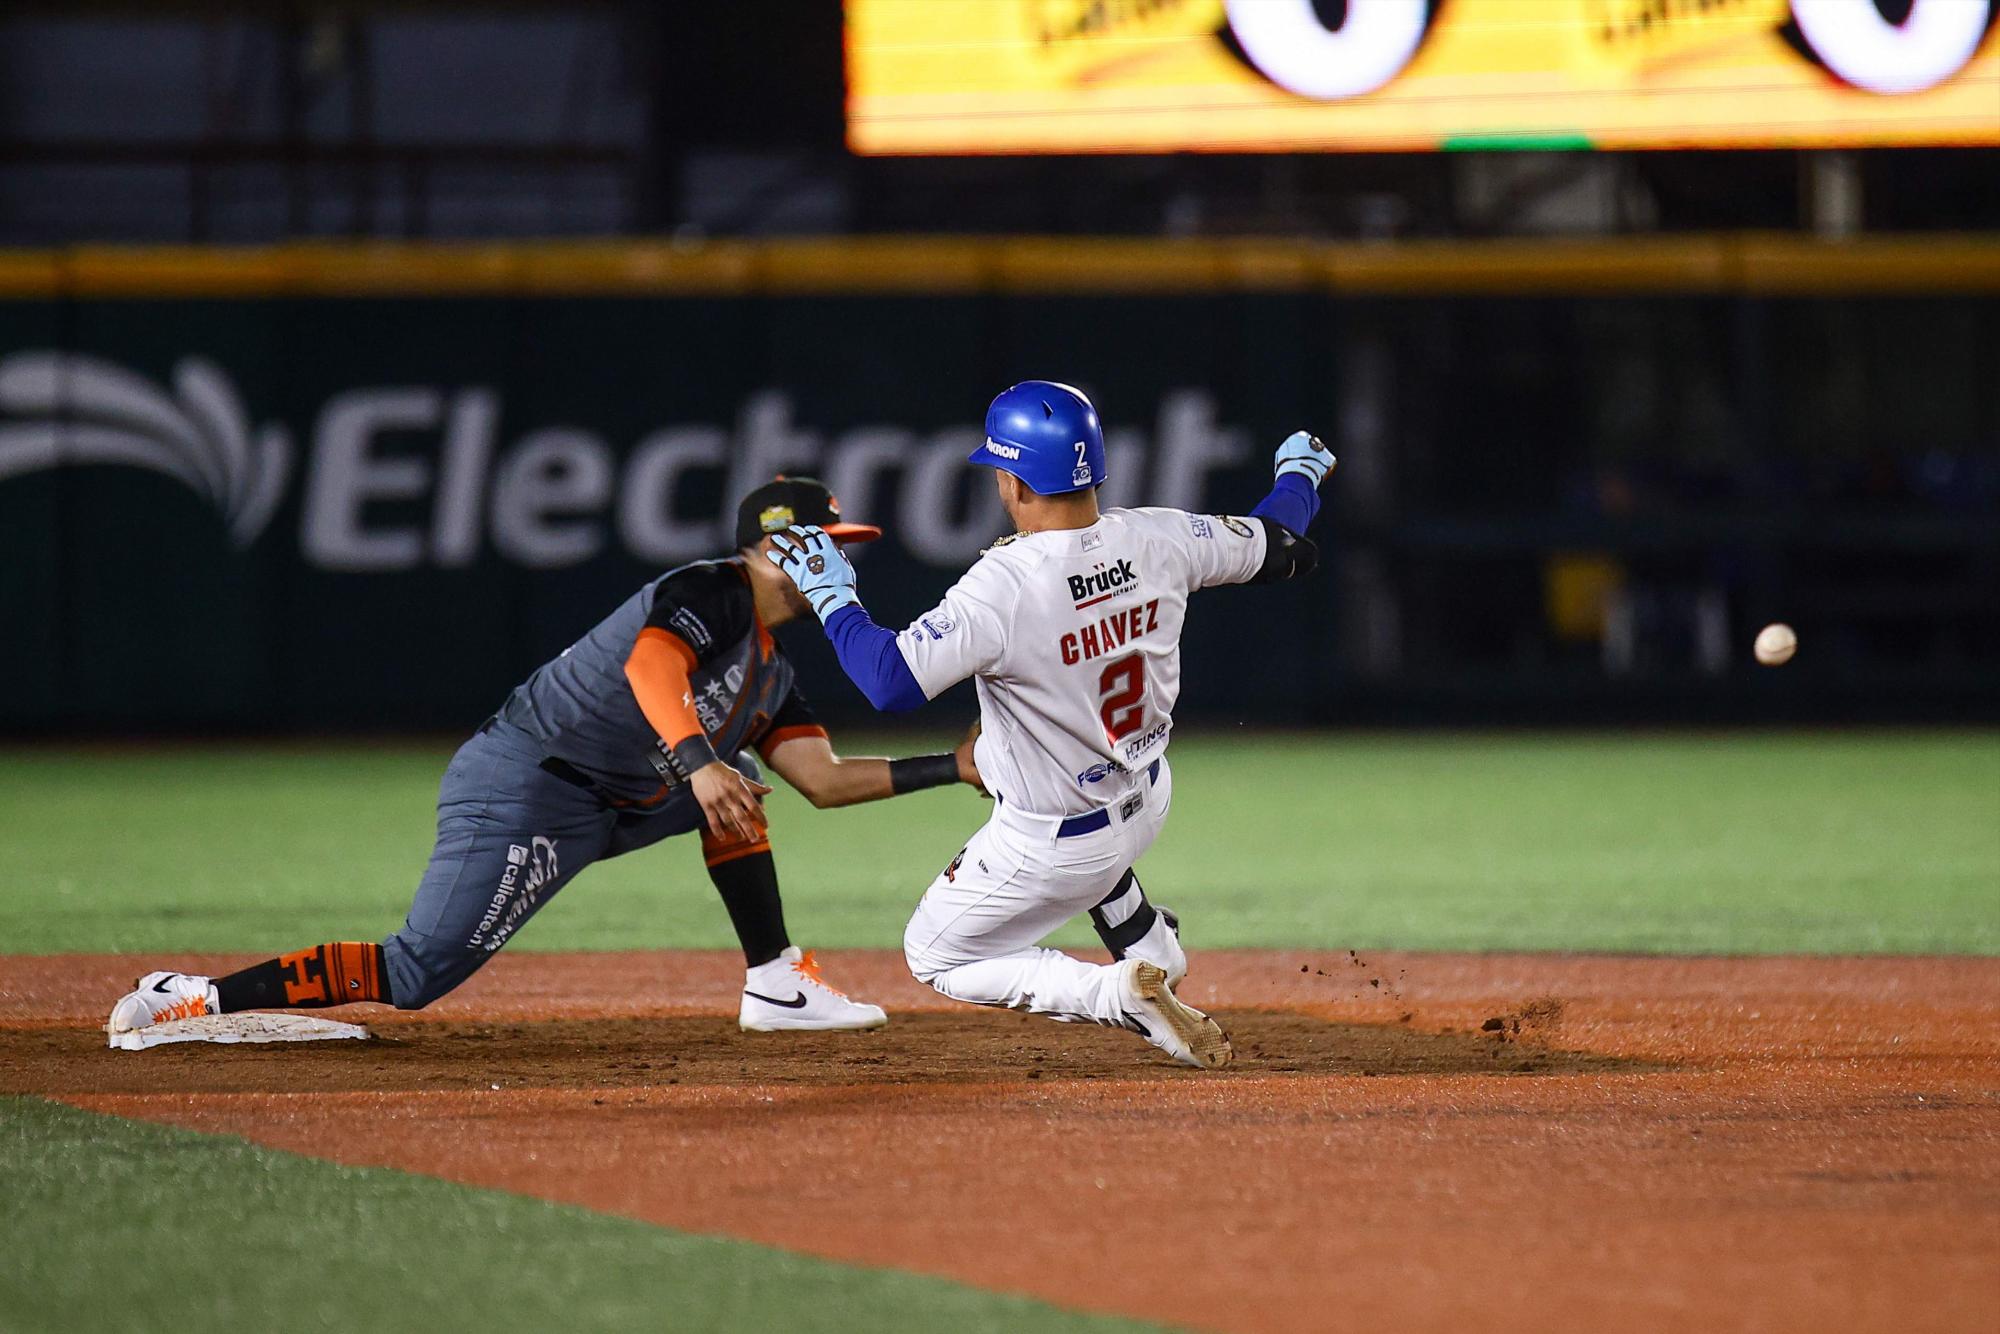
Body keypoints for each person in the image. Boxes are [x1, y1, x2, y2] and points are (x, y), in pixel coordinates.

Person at [108, 477, 981, 1040]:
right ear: (777, 546)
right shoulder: (714, 587)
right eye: (827, 541)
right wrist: (696, 762)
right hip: (527, 784)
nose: (841, 556)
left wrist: (951, 765)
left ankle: (776, 981)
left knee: (744, 789)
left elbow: (822, 782)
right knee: (415, 975)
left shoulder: (770, 668)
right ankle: (192, 996)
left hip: (617, 797)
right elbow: (651, 664)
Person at [766, 381, 1331, 1068]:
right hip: (1147, 795)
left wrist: (834, 597)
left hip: (1055, 842)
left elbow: (890, 684)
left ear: (1011, 480)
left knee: (933, 953)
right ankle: (1151, 948)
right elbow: (1283, 544)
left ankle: (1115, 993)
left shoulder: (1002, 585)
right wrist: (1299, 474)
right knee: (1015, 756)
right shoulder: (1162, 536)